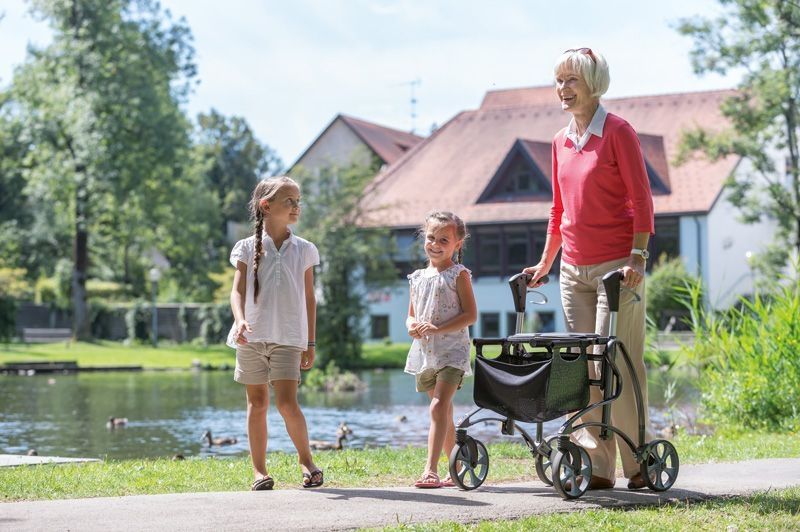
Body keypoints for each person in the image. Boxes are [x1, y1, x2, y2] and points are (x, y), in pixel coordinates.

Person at [523, 48, 654, 490]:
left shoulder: (618, 132)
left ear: (593, 83)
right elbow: (558, 209)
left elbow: (641, 200)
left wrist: (638, 256)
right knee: (585, 368)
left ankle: (639, 461)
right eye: (559, 80)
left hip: (618, 268)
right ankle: (598, 465)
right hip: (573, 270)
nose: (563, 89)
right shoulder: (560, 141)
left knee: (616, 361)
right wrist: (546, 262)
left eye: (571, 80)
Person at [227, 175, 323, 491]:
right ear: (266, 206)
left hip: (289, 337)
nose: (296, 207)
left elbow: (309, 298)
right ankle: (259, 471)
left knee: (287, 403)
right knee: (257, 403)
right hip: (251, 337)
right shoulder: (245, 247)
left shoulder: (305, 250)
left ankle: (307, 461)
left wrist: (310, 341)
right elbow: (236, 292)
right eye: (289, 201)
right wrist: (240, 320)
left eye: (298, 201)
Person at [405, 211, 478, 488]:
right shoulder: (417, 277)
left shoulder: (458, 275)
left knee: (438, 407)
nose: (435, 244)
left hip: (452, 352)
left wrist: (438, 329)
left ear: (457, 244)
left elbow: (470, 315)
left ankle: (430, 470)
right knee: (443, 413)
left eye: (443, 240)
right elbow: (410, 315)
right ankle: (456, 467)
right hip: (425, 354)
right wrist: (412, 326)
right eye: (431, 238)